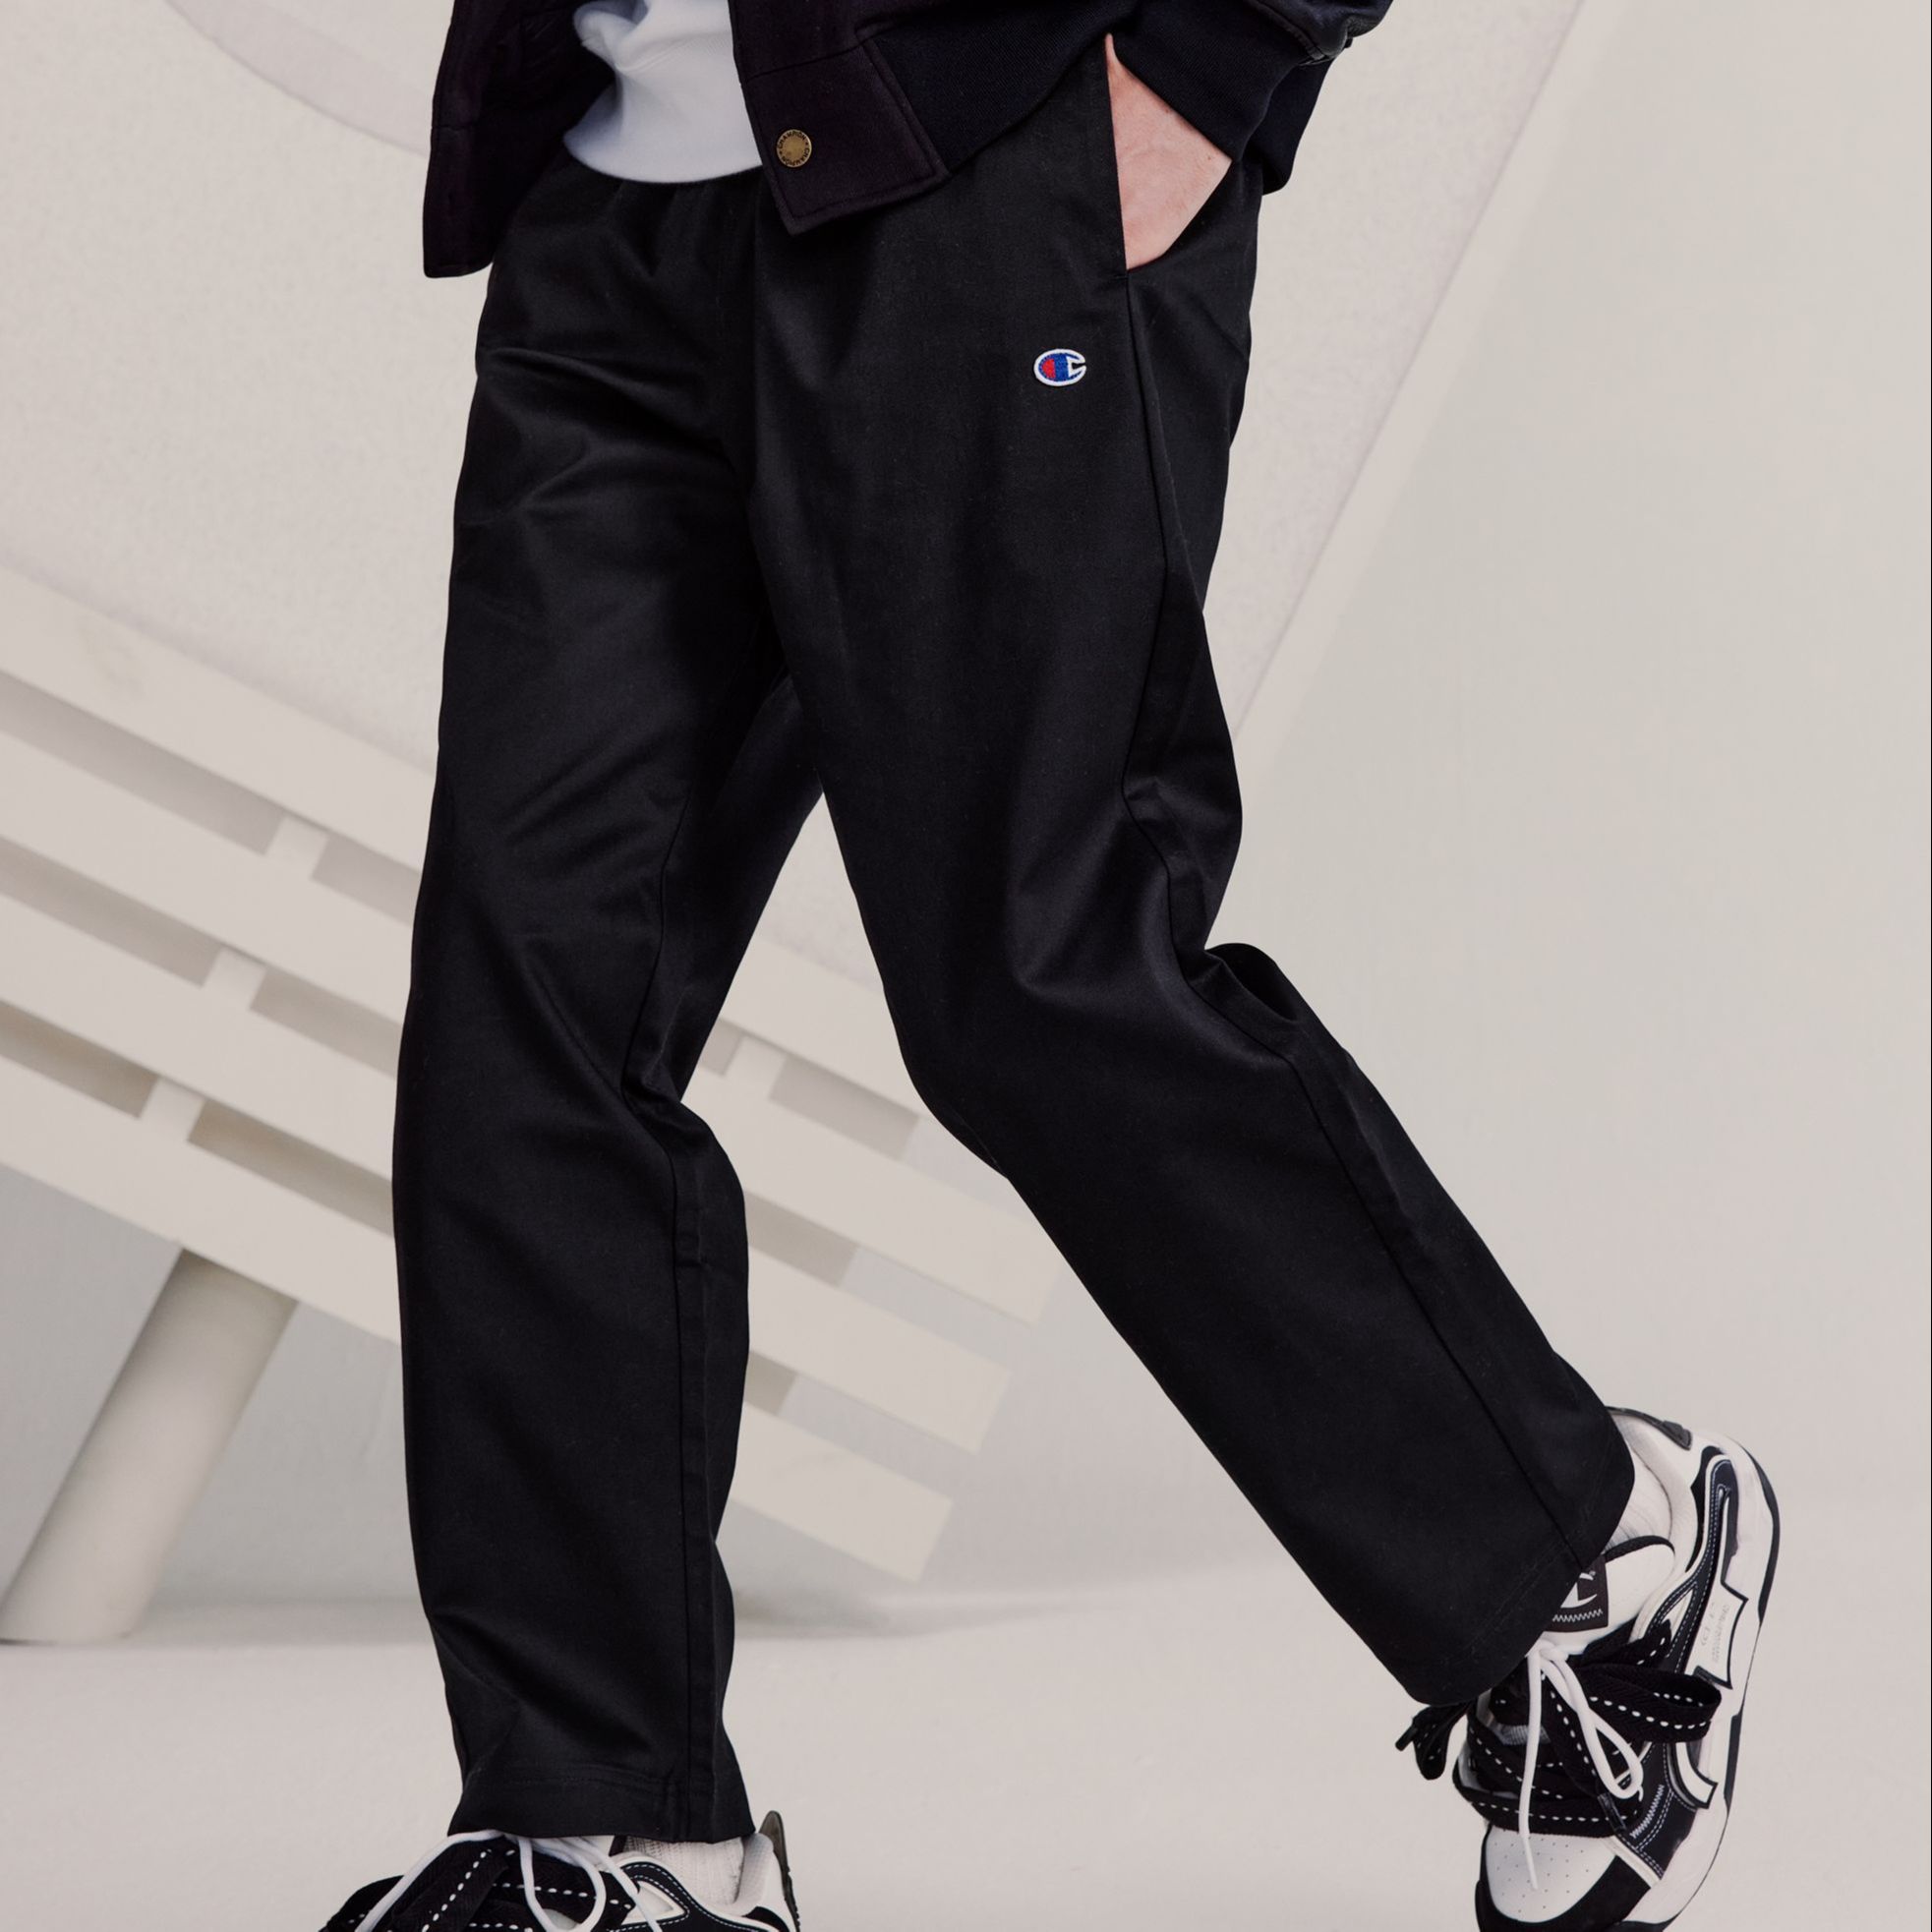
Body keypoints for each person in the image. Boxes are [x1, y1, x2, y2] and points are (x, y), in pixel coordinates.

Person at [321, 5, 1778, 1928]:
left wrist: (1214, 59)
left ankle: (1581, 1560)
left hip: (979, 166)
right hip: (616, 212)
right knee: (527, 1006)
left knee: (1039, 970)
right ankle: (607, 1824)